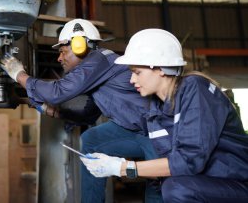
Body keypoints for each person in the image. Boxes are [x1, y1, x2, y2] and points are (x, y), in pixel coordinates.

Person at [0, 18, 163, 203]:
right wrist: (47, 109)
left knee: (158, 185)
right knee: (92, 139)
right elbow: (88, 115)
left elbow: (56, 92)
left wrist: (19, 75)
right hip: (137, 130)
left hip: (156, 130)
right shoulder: (97, 74)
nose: (59, 58)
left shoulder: (98, 59)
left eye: (63, 51)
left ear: (80, 45)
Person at [81, 28, 248, 203]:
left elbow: (189, 161)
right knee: (166, 185)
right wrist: (112, 165)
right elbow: (169, 164)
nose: (131, 80)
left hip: (236, 183)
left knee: (175, 189)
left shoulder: (195, 89)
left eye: (137, 72)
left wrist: (123, 168)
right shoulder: (155, 111)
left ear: (160, 68)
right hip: (206, 184)